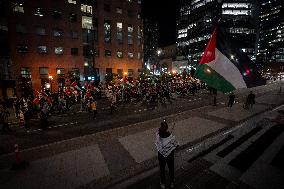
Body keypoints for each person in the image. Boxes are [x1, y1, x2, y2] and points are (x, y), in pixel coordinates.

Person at [155, 120, 178, 189]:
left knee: (162, 169)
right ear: (167, 128)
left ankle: (162, 183)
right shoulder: (171, 137)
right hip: (170, 156)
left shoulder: (157, 135)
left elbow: (157, 144)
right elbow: (176, 145)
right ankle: (172, 182)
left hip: (161, 156)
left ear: (161, 128)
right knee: (171, 169)